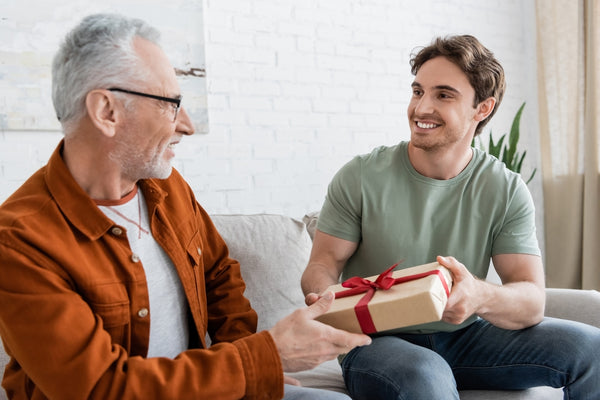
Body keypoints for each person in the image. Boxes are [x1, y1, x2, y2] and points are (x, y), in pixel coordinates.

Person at [0, 13, 371, 400]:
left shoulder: (166, 186)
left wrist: (253, 376)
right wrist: (264, 356)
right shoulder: (19, 241)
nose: (188, 125)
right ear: (107, 112)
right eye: (171, 104)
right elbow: (101, 387)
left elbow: (218, 274)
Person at [301, 34, 600, 399]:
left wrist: (479, 296)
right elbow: (323, 264)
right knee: (424, 373)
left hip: (468, 338)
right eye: (417, 91)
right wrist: (323, 296)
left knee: (592, 348)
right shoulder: (361, 175)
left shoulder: (505, 189)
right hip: (376, 341)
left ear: (482, 109)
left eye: (443, 95)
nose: (421, 107)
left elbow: (530, 301)